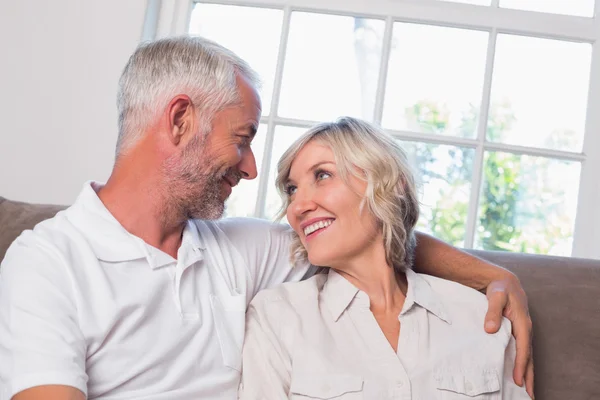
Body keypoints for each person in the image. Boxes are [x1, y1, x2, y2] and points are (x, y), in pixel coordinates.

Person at [0, 36, 532, 400]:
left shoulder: (240, 250)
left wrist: (492, 276)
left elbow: (370, 234)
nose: (252, 169)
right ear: (181, 120)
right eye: (243, 139)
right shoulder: (47, 263)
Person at [240, 117, 531, 399]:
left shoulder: (482, 318)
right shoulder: (277, 317)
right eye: (292, 190)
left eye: (323, 175)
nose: (298, 206)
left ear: (391, 185)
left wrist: (500, 277)